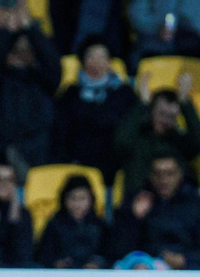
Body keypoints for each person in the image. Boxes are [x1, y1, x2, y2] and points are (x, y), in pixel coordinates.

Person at [0, 0, 61, 169]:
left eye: (28, 48)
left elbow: (53, 64)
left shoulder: (42, 80)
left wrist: (30, 29)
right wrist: (8, 31)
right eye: (15, 49)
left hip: (39, 154)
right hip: (1, 155)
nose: (21, 52)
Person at [108, 154, 200, 270]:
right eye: (157, 174)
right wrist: (134, 218)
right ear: (150, 175)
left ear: (180, 174)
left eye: (169, 173)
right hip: (145, 270)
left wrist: (183, 260)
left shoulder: (198, 206)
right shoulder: (136, 202)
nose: (163, 180)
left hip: (187, 273)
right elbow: (116, 251)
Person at [51, 37, 136, 183]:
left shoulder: (124, 93)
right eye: (91, 56)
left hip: (115, 166)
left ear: (110, 62)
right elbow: (60, 131)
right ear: (83, 61)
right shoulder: (70, 93)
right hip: (76, 165)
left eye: (102, 57)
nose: (96, 63)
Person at [114, 83, 200, 197]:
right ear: (151, 112)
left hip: (176, 203)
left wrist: (185, 104)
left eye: (171, 116)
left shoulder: (179, 141)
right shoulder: (137, 139)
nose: (166, 121)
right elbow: (121, 141)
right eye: (162, 114)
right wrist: (142, 105)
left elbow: (199, 142)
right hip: (141, 201)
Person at [36, 174, 108, 269]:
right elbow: (43, 255)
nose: (77, 204)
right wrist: (57, 263)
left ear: (91, 200)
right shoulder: (54, 224)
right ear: (64, 199)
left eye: (82, 198)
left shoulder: (100, 225)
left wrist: (97, 264)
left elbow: (109, 254)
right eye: (72, 198)